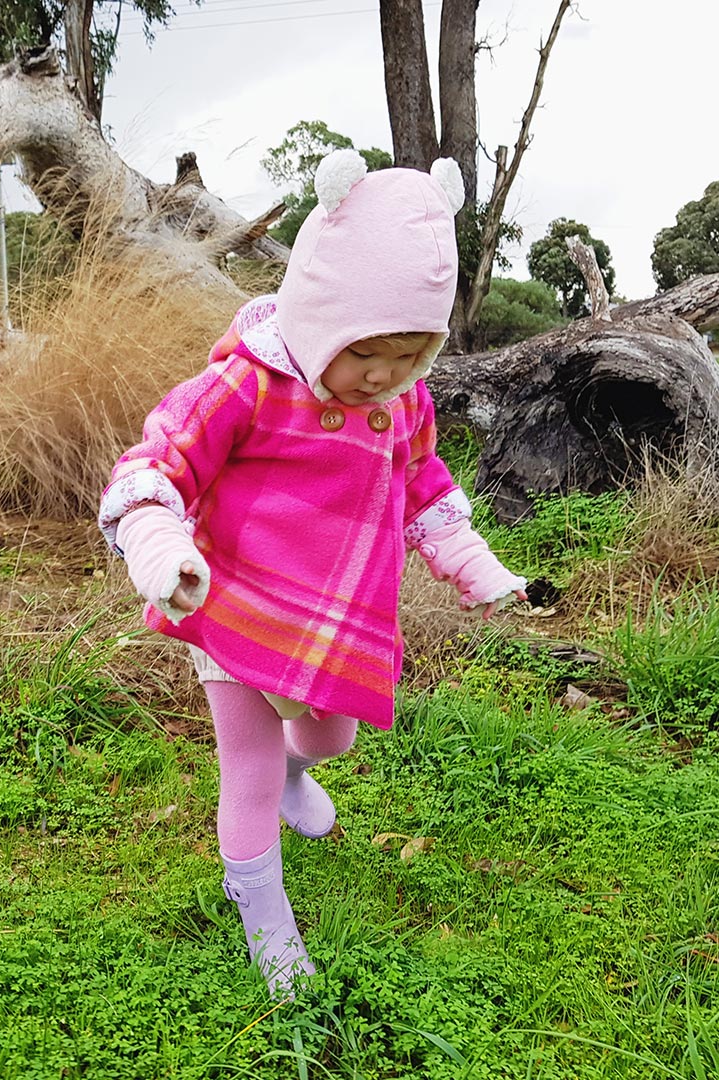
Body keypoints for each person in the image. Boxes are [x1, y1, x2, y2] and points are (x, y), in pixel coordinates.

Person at [97, 150, 528, 998]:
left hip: (330, 618)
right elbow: (156, 464)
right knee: (248, 766)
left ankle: (302, 775)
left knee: (329, 736)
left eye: (410, 356)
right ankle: (261, 910)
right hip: (230, 601)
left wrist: (480, 568)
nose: (384, 377)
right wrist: (158, 545)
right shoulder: (245, 384)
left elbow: (423, 491)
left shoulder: (403, 402)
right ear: (319, 310)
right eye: (367, 351)